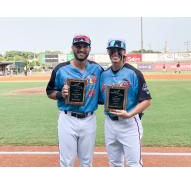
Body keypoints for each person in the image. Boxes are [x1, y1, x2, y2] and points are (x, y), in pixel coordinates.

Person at [46, 35, 103, 167]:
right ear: (72, 48)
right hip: (67, 119)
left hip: (89, 119)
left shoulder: (97, 69)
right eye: (78, 46)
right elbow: (50, 91)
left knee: (86, 162)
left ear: (89, 49)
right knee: (66, 162)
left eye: (85, 46)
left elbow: (106, 88)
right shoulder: (60, 69)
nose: (81, 49)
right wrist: (61, 94)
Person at [99, 40, 152, 167]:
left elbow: (147, 100)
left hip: (129, 124)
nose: (115, 53)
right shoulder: (104, 75)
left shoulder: (134, 73)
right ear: (108, 53)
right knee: (114, 163)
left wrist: (129, 113)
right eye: (112, 50)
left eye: (118, 50)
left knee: (134, 164)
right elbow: (99, 99)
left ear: (124, 53)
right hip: (110, 123)